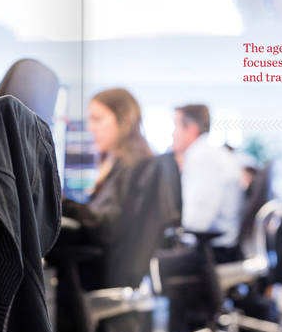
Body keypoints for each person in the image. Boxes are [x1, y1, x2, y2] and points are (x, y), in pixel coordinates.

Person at [60, 88, 155, 289]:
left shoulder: (131, 166)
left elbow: (106, 227)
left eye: (97, 119)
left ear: (125, 119)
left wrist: (62, 202)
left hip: (106, 277)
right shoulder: (114, 165)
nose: (90, 128)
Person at [171, 104, 245, 263]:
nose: (172, 134)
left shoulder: (203, 157)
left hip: (215, 253)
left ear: (191, 130)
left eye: (175, 126)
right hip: (217, 247)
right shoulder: (208, 153)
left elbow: (198, 220)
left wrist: (170, 230)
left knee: (152, 261)